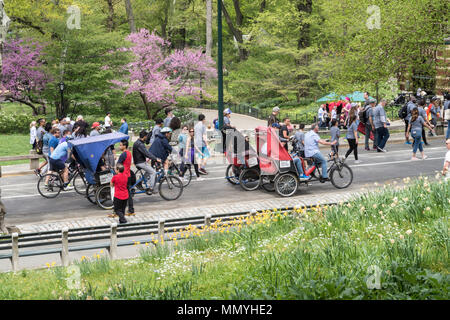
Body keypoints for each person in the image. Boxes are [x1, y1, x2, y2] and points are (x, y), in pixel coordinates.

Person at [116, 140, 134, 215]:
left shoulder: (123, 154)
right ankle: (130, 208)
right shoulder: (129, 153)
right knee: (128, 192)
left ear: (124, 146)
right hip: (128, 174)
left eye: (120, 145)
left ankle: (123, 209)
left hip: (124, 175)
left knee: (123, 192)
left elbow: (118, 164)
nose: (119, 146)